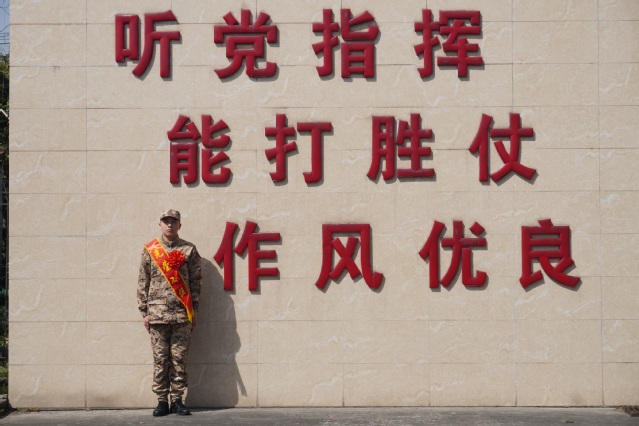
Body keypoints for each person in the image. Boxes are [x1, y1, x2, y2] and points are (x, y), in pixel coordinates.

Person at [137, 209, 202, 416]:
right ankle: (161, 401)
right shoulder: (150, 250)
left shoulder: (189, 250)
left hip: (182, 315)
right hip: (157, 315)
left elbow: (196, 282)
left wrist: (194, 311)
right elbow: (143, 281)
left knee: (179, 359)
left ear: (180, 225)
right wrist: (144, 312)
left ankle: (177, 400)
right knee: (160, 359)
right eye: (166, 221)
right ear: (160, 225)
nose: (170, 225)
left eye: (174, 221)